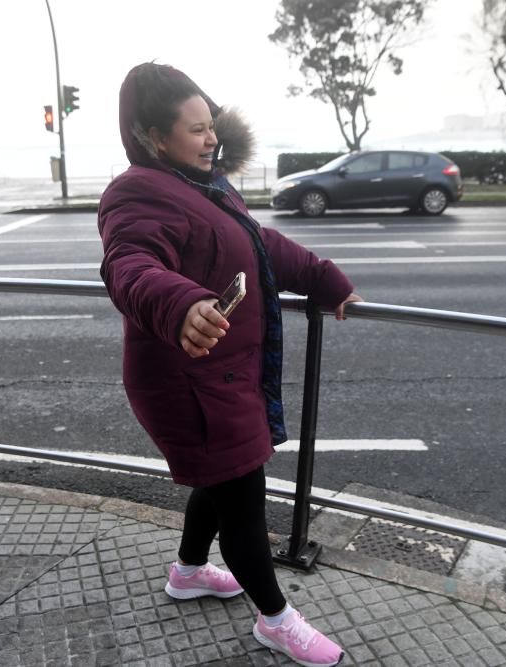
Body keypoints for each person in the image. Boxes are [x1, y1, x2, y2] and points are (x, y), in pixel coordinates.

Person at [98, 62, 363, 667]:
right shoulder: (136, 192)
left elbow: (259, 245)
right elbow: (129, 267)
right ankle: (276, 619)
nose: (210, 138)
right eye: (194, 130)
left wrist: (324, 279)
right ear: (152, 137)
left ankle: (189, 572)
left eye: (211, 125)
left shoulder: (206, 186)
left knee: (221, 478)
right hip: (184, 379)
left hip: (223, 372)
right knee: (241, 495)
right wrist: (183, 303)